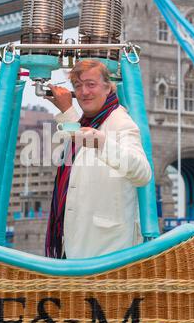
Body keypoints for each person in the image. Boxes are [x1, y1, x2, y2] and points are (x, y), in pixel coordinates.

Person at [44, 59, 152, 259]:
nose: (84, 92)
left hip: (108, 250)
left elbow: (143, 173)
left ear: (108, 87)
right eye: (78, 85)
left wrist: (103, 144)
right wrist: (67, 112)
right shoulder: (90, 121)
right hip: (78, 246)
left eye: (91, 84)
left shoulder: (120, 123)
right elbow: (80, 139)